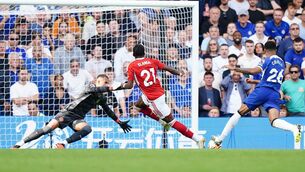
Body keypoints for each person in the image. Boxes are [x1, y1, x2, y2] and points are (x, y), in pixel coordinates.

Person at [208, 41, 301, 149]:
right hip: (274, 93)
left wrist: (234, 68)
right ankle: (294, 128)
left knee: (239, 112)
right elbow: (272, 81)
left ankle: (219, 140)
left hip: (263, 91)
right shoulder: (282, 62)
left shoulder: (267, 59)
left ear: (265, 50)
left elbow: (253, 71)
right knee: (274, 120)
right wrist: (255, 82)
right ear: (275, 50)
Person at [116, 44, 205, 148]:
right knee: (137, 106)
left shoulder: (132, 65)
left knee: (172, 122)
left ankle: (197, 139)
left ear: (133, 54)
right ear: (144, 53)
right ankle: (162, 121)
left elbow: (129, 85)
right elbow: (167, 68)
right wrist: (179, 73)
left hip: (154, 98)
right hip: (153, 92)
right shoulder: (152, 61)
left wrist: (117, 87)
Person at [12, 78, 132, 149]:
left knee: (87, 129)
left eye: (107, 82)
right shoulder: (90, 86)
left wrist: (119, 122)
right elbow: (97, 90)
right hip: (67, 113)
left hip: (77, 118)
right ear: (97, 81)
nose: (105, 84)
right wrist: (116, 87)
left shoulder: (101, 98)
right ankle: (19, 144)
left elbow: (109, 112)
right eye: (103, 82)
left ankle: (63, 144)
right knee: (47, 129)